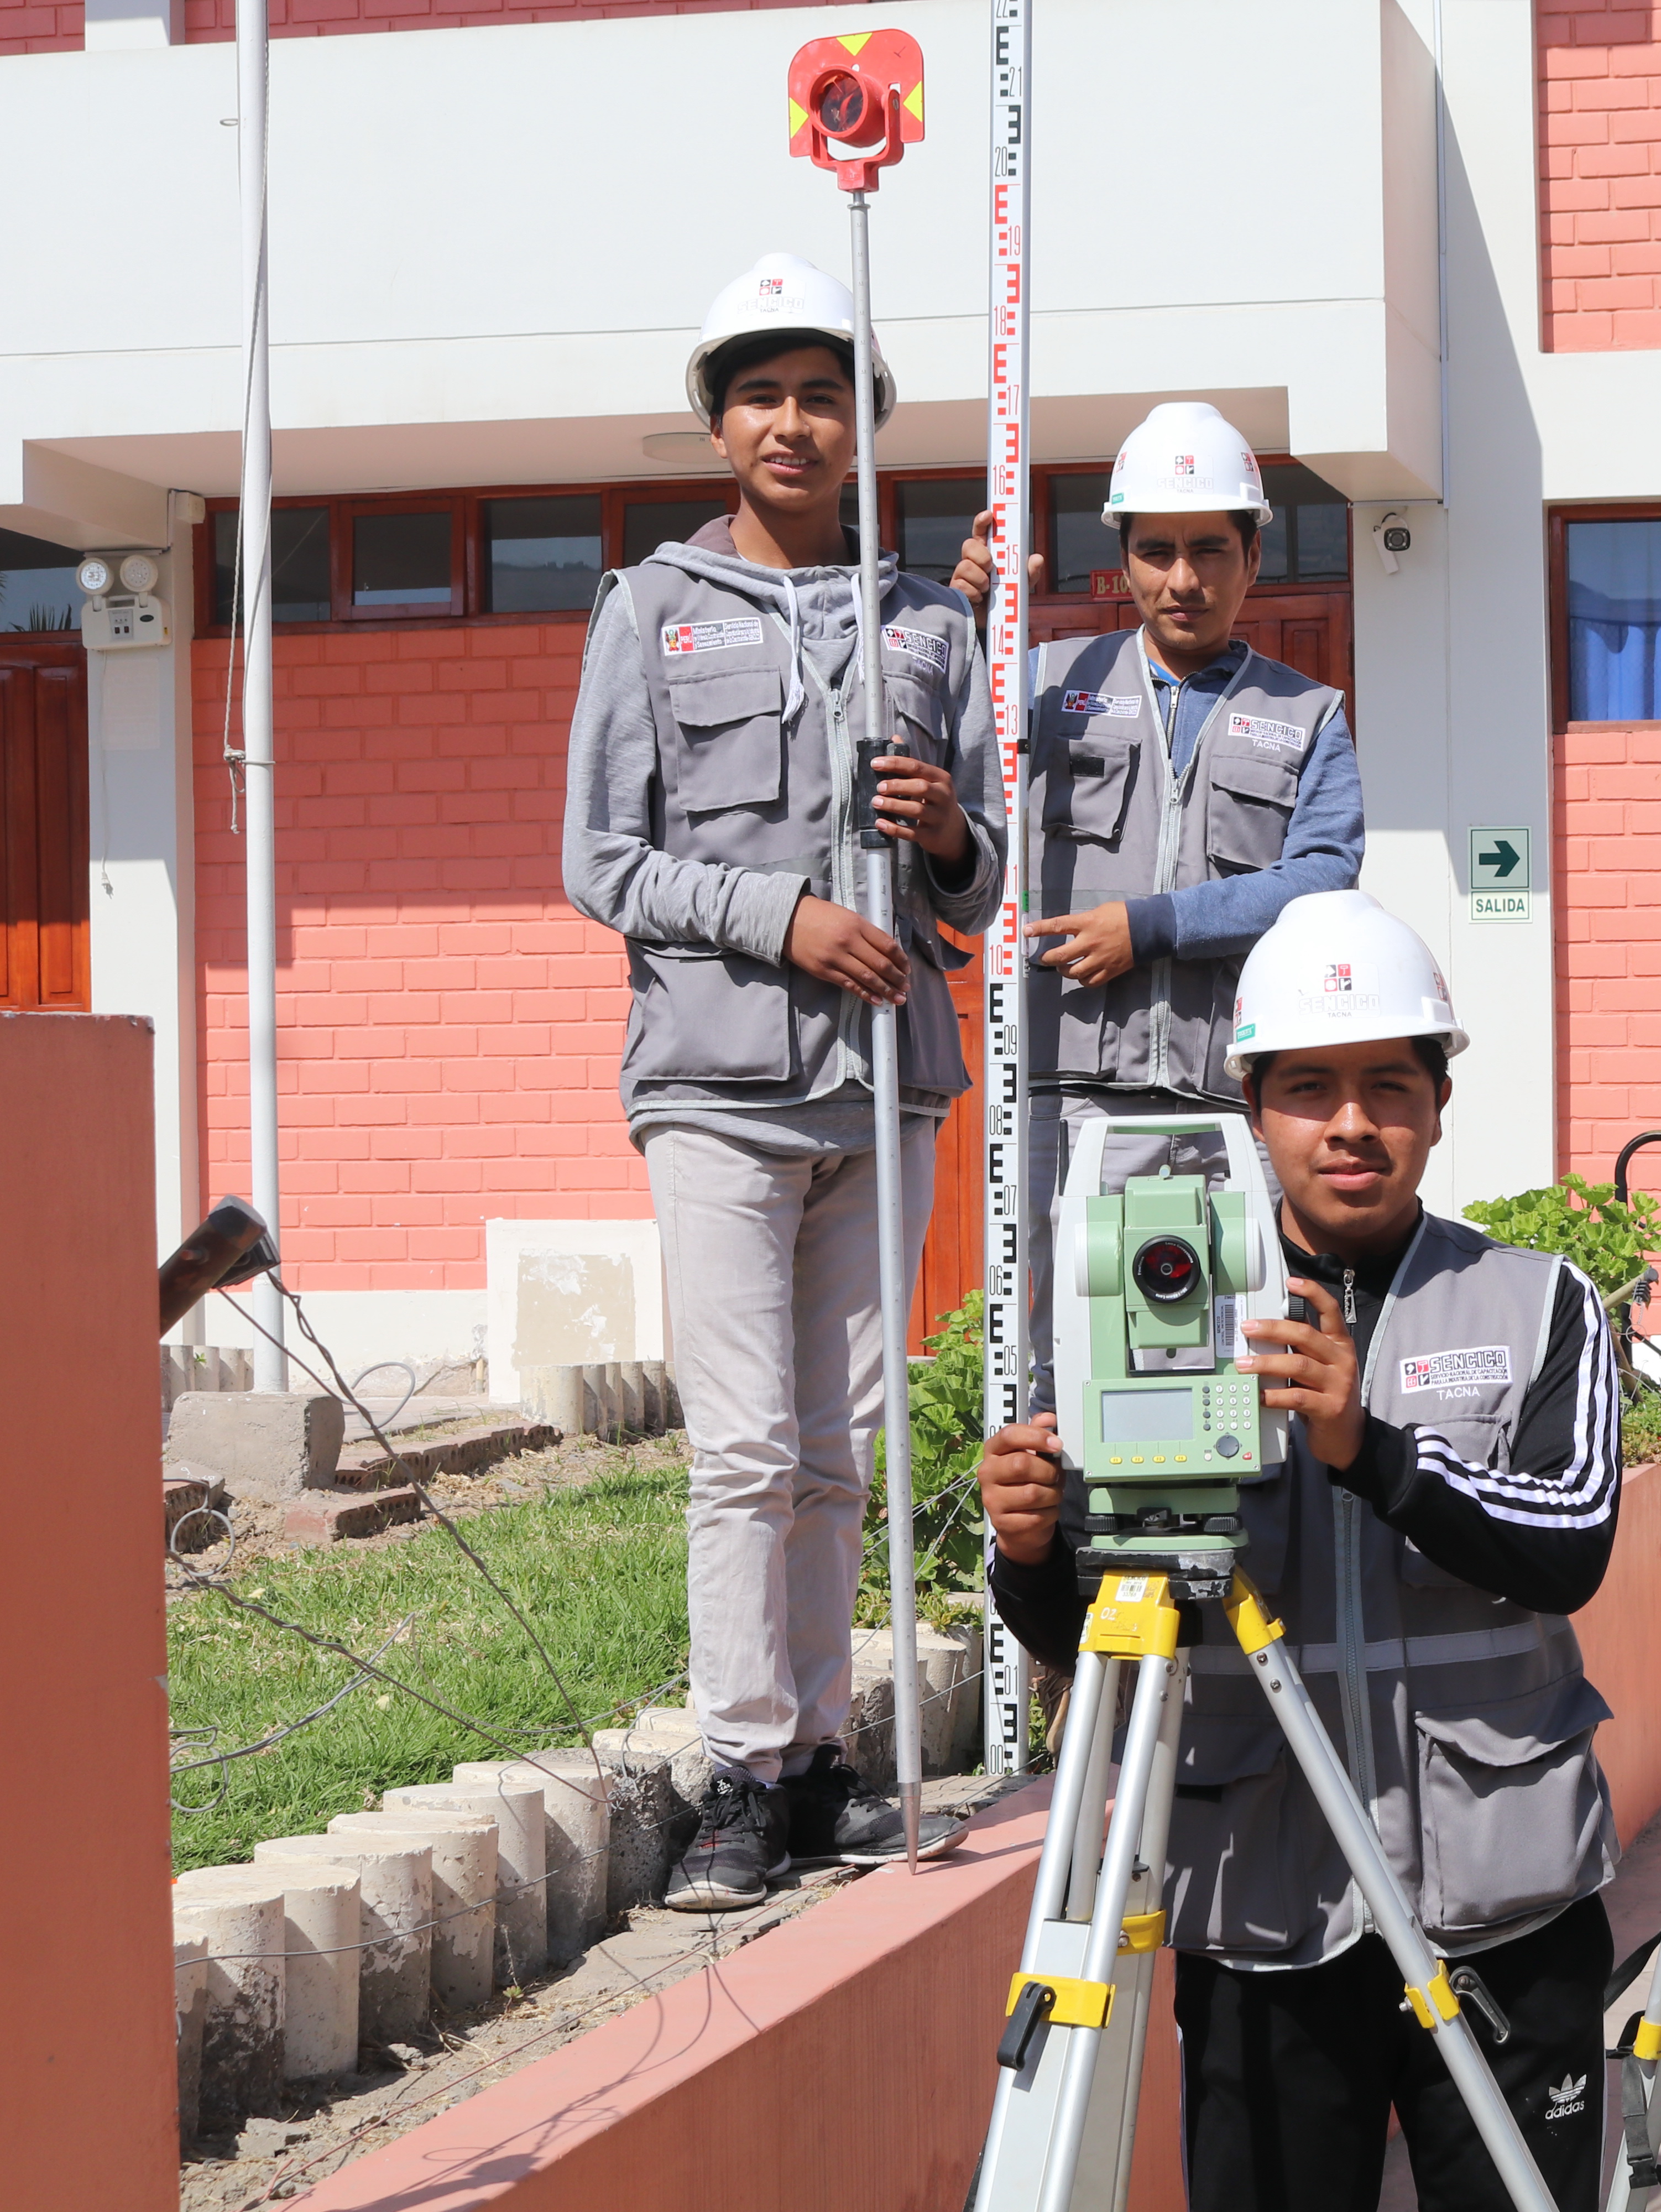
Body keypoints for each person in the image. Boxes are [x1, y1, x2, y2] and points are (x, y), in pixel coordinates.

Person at [976, 889, 1625, 2212]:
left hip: (1508, 1900)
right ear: (1254, 1109)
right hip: (1266, 1914)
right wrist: (1033, 1553)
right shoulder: (1151, 1294)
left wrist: (1370, 1447)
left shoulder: (1539, 1298)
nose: (1351, 1122)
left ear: (1439, 1104)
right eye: (1310, 1087)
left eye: (1389, 1085)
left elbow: (1570, 1545)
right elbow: (1100, 1632)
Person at [562, 251, 973, 1910]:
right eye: (761, 395)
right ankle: (737, 1771)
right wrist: (783, 921)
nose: (793, 422)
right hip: (719, 1088)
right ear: (718, 426)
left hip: (890, 1089)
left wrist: (949, 836)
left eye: (822, 393)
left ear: (863, 423)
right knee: (743, 1450)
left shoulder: (931, 616)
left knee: (841, 1451)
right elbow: (601, 859)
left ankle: (816, 1765)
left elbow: (979, 889)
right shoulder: (646, 611)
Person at [949, 404, 1365, 1358]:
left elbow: (1324, 879)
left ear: (1253, 557)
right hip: (1063, 1099)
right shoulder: (1043, 683)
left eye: (1210, 549)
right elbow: (927, 751)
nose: (1184, 578)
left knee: (1228, 1358)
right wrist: (965, 618)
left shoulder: (1308, 715)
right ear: (1125, 559)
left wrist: (1153, 925)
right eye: (1159, 550)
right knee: (1053, 1364)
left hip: (1234, 1102)